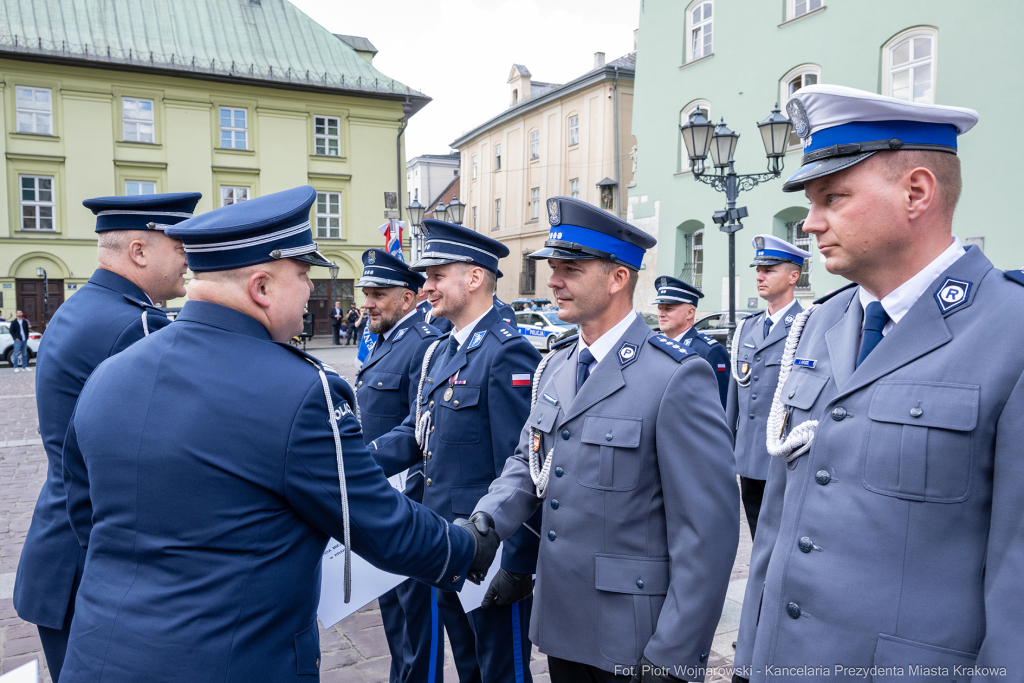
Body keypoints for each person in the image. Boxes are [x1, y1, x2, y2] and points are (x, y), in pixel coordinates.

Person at [58, 186, 496, 683]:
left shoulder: (111, 373)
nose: (311, 290)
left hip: (99, 654)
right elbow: (380, 525)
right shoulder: (300, 391)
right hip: (231, 662)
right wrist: (467, 546)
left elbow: (84, 513)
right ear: (262, 287)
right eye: (305, 275)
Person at [731, 85, 1024, 681]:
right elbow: (781, 529)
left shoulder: (1010, 332)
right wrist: (749, 660)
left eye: (833, 198)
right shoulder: (822, 324)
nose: (810, 223)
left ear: (916, 191)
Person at [472, 197, 740, 683]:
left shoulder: (676, 377)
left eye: (570, 269)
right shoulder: (555, 365)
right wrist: (486, 522)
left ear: (618, 278)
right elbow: (527, 461)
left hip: (635, 635)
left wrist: (676, 652)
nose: (553, 281)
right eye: (553, 268)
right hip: (562, 621)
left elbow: (708, 534)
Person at [13, 191, 202, 681]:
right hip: (95, 565)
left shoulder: (83, 308)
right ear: (139, 251)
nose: (189, 257)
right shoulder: (135, 324)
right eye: (180, 244)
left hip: (60, 553)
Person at [370, 218, 543, 683]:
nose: (426, 287)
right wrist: (355, 461)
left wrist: (518, 563)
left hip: (489, 547)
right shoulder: (440, 351)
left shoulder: (507, 352)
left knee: (499, 670)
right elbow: (416, 432)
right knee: (467, 664)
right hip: (444, 542)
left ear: (473, 277)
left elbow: (525, 465)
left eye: (436, 275)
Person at [354, 248, 445, 683]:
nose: (366, 302)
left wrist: (358, 462)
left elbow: (419, 432)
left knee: (416, 619)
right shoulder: (388, 342)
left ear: (407, 299)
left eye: (377, 294)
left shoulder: (422, 346)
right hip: (381, 501)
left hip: (408, 506)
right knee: (394, 615)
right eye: (365, 293)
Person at [723, 235, 809, 540]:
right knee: (758, 535)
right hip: (747, 456)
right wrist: (729, 447)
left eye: (769, 270)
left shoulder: (807, 325)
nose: (759, 276)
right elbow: (736, 392)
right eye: (758, 269)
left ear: (793, 276)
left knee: (781, 538)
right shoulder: (748, 326)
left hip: (783, 456)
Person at [652, 276, 730, 408]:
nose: (661, 314)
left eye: (669, 308)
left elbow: (722, 404)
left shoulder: (709, 351)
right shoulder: (655, 346)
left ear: (690, 312)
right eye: (660, 308)